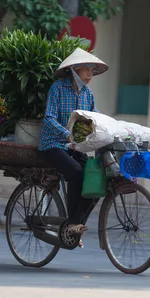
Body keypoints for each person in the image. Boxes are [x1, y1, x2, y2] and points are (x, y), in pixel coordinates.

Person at [38, 47, 109, 243]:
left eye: (92, 71)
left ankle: (75, 224)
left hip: (75, 146)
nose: (90, 75)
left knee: (96, 178)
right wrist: (66, 134)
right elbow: (49, 118)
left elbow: (95, 117)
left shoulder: (88, 94)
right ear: (75, 70)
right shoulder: (58, 88)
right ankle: (72, 223)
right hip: (52, 144)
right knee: (76, 172)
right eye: (87, 70)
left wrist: (109, 130)